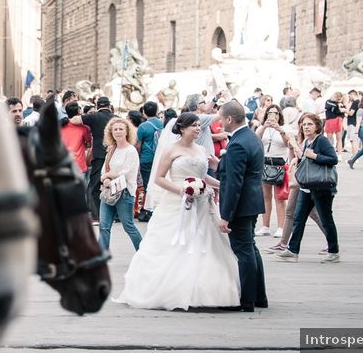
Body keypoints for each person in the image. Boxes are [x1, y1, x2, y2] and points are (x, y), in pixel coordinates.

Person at [116, 112, 240, 310]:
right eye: (194, 125)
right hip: (176, 202)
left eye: (199, 125)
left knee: (204, 245)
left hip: (201, 204)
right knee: (173, 244)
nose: (198, 128)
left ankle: (205, 291)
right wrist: (182, 190)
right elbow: (159, 178)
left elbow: (203, 176)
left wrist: (222, 185)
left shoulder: (201, 149)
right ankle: (171, 290)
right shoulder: (170, 150)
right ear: (182, 128)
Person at [218, 101, 268, 311]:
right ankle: (259, 296)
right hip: (253, 200)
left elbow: (234, 182)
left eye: (221, 119)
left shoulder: (237, 143)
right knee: (251, 248)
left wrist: (226, 215)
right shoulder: (252, 137)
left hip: (241, 204)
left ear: (229, 119)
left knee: (243, 251)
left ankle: (246, 300)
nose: (220, 123)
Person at [276, 113, 340, 263]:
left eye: (310, 124)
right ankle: (293, 250)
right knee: (299, 218)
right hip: (307, 186)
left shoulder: (322, 141)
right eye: (304, 124)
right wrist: (296, 161)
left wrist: (315, 156)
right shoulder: (307, 142)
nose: (306, 127)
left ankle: (334, 251)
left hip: (321, 187)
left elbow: (333, 159)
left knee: (326, 219)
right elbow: (305, 161)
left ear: (317, 126)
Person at [99, 117, 143, 251]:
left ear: (127, 132)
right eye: (115, 129)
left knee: (128, 226)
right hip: (109, 191)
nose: (118, 132)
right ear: (111, 132)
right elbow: (104, 169)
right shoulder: (111, 149)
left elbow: (128, 172)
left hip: (124, 193)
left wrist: (108, 175)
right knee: (104, 226)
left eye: (121, 129)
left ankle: (142, 252)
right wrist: (105, 179)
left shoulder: (131, 150)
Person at [72, 97, 115, 220]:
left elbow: (75, 120)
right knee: (113, 184)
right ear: (109, 105)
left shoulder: (94, 117)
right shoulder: (116, 118)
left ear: (97, 106)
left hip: (99, 155)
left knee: (94, 186)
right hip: (114, 155)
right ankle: (114, 215)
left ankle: (97, 215)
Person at [254, 105, 293, 238]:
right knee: (265, 197)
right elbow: (254, 140)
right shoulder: (263, 127)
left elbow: (289, 143)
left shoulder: (285, 128)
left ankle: (281, 227)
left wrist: (279, 129)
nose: (273, 115)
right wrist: (264, 126)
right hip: (264, 163)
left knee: (280, 198)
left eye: (275, 113)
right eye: (270, 113)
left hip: (279, 164)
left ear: (279, 115)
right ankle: (265, 226)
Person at [135, 101, 163, 222]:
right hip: (159, 159)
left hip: (146, 159)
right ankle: (157, 208)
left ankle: (147, 210)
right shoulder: (162, 124)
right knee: (158, 183)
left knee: (147, 185)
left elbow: (138, 145)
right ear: (156, 111)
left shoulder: (143, 126)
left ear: (144, 112)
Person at [60, 102, 92, 175]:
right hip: (79, 165)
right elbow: (88, 145)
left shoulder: (60, 126)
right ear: (78, 112)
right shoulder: (84, 128)